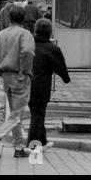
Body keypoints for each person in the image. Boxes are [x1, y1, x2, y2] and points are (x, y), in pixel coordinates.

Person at [0, 6, 35, 159]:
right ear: (23, 19)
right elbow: (27, 51)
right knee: (17, 114)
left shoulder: (1, 34)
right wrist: (24, 70)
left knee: (15, 114)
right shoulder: (24, 34)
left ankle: (19, 147)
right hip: (19, 76)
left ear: (9, 18)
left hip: (5, 76)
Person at [27, 18, 70, 150]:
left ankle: (43, 141)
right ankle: (32, 145)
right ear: (50, 32)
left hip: (25, 84)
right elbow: (61, 68)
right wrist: (65, 77)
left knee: (36, 113)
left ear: (36, 30)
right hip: (41, 87)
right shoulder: (53, 49)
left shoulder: (29, 45)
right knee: (38, 115)